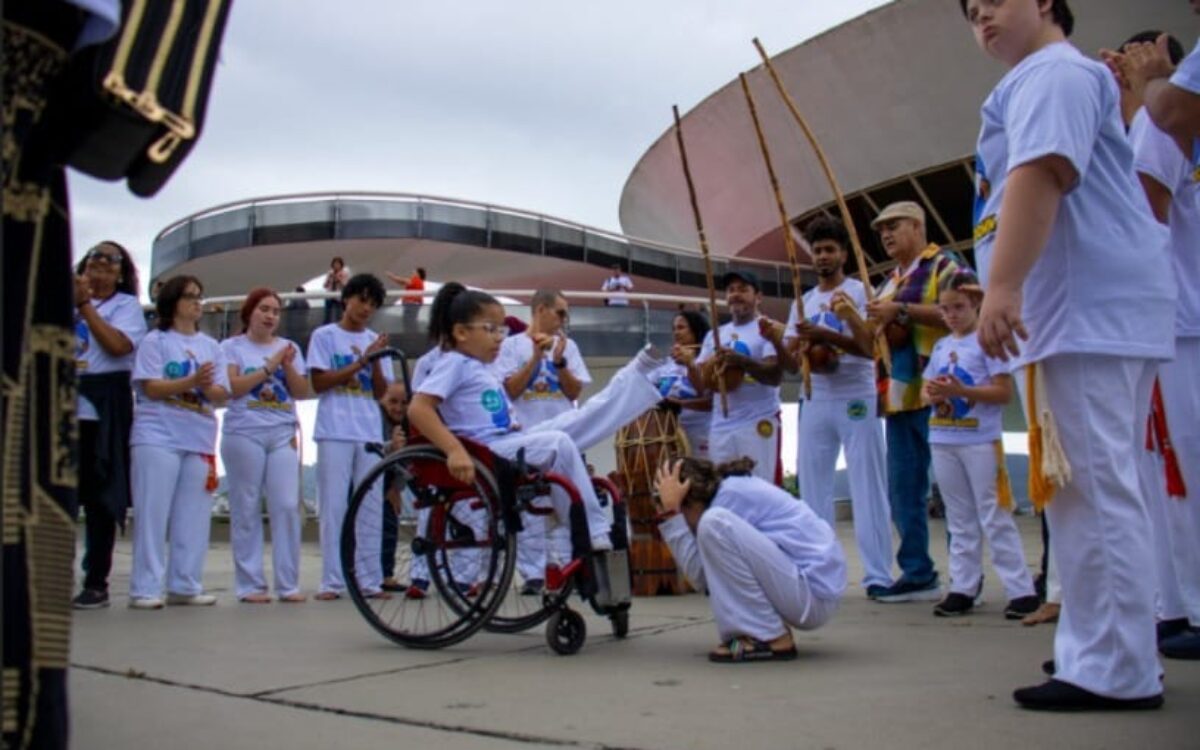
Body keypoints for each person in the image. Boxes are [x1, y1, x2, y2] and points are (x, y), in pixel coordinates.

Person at [961, 0, 1174, 710]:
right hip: (1082, 311)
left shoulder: (1053, 74)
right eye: (969, 11)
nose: (981, 15)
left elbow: (1040, 173)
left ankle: (1115, 666)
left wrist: (1004, 285)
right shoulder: (1047, 78)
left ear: (1048, 4)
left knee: (1093, 487)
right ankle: (1108, 647)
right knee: (1089, 487)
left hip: (1085, 308)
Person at [407, 284, 664, 560]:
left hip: (507, 439)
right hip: (486, 450)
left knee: (578, 418)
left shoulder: (480, 368)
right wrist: (454, 450)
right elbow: (418, 408)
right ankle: (591, 529)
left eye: (501, 330)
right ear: (461, 332)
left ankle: (635, 375)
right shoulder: (454, 363)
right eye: (490, 329)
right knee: (558, 442)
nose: (498, 338)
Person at [1121, 30, 1200, 661]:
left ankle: (1188, 605)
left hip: (1175, 324)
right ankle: (1172, 604)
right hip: (1173, 323)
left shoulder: (1155, 125)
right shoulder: (1143, 127)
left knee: (1178, 472)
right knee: (1164, 473)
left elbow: (1143, 222)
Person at [776, 217, 894, 598]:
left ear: (844, 253)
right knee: (813, 490)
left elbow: (868, 348)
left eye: (830, 249)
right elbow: (794, 363)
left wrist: (828, 334)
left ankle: (878, 575)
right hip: (816, 398)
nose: (823, 256)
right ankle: (819, 572)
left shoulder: (860, 291)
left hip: (855, 396)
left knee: (867, 484)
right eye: (818, 250)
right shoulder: (803, 301)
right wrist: (790, 344)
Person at [921, 273, 1038, 619]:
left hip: (979, 439)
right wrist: (934, 394)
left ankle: (1020, 589)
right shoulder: (942, 346)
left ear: (974, 304)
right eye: (945, 309)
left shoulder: (986, 342)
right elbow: (928, 386)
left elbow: (1002, 393)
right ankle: (963, 585)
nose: (952, 314)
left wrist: (962, 393)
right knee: (958, 518)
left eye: (958, 307)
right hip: (943, 437)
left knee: (994, 513)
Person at [653, 457, 846, 662]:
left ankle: (769, 636)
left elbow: (701, 576)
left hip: (811, 594)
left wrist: (671, 516)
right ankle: (764, 630)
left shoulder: (727, 500)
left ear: (688, 499)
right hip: (811, 591)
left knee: (714, 524)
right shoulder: (729, 492)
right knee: (713, 525)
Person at [865, 201, 959, 603]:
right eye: (881, 229)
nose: (885, 234)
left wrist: (900, 309)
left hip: (939, 389)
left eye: (894, 226)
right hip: (899, 397)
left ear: (918, 226)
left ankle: (967, 575)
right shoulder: (887, 281)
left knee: (955, 489)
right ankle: (917, 572)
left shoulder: (944, 267)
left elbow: (963, 311)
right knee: (904, 489)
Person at [128, 276, 231, 609]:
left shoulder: (211, 346)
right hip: (157, 435)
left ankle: (185, 584)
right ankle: (145, 587)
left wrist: (205, 387)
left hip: (198, 436)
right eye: (190, 296)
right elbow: (150, 387)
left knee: (193, 515)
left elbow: (221, 394)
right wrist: (191, 380)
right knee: (153, 513)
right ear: (173, 302)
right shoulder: (155, 341)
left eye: (200, 296)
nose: (197, 302)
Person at [495, 289, 591, 593]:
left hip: (564, 434)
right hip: (527, 436)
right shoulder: (510, 346)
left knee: (565, 500)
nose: (564, 319)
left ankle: (566, 566)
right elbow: (509, 390)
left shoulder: (569, 346)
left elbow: (575, 392)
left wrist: (559, 363)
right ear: (540, 310)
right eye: (560, 312)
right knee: (531, 506)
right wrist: (536, 358)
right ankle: (533, 574)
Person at [220, 288, 310, 604]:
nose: (271, 316)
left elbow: (301, 390)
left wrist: (285, 366)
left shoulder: (290, 348)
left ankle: (288, 583)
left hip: (281, 432)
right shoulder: (231, 347)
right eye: (264, 309)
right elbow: (232, 387)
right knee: (246, 506)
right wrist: (269, 367)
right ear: (249, 313)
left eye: (275, 310)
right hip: (245, 432)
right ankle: (250, 584)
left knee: (286, 505)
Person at [71, 242, 148, 609]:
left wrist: (86, 307)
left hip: (105, 400)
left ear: (121, 271)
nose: (100, 264)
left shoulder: (126, 307)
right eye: (94, 258)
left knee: (102, 495)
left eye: (110, 259)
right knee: (61, 490)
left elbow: (119, 346)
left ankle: (96, 580)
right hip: (65, 395)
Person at [307, 273, 393, 600]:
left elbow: (382, 393)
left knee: (370, 506)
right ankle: (332, 580)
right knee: (334, 506)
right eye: (361, 300)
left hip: (368, 430)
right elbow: (320, 382)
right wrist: (361, 360)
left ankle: (370, 581)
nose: (365, 308)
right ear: (347, 299)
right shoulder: (325, 336)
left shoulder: (376, 340)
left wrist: (373, 362)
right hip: (335, 430)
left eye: (372, 304)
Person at [692, 271, 784, 484]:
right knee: (723, 491)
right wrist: (697, 367)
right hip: (721, 424)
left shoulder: (767, 328)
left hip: (757, 421)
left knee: (761, 489)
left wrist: (740, 361)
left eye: (743, 289)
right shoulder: (714, 335)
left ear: (758, 297)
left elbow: (774, 377)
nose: (736, 295)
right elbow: (702, 386)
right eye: (731, 290)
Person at [649, 310, 713, 459]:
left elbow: (711, 400)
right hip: (668, 435)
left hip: (702, 436)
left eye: (681, 327)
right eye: (674, 328)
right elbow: (645, 387)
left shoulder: (708, 362)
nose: (676, 333)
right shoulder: (666, 365)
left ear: (696, 330)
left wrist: (690, 365)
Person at [378, 381, 409, 592]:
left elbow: (408, 461)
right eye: (392, 402)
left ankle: (386, 573)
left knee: (389, 523)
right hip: (373, 476)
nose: (398, 408)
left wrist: (396, 488)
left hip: (392, 478)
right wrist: (391, 446)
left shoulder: (408, 423)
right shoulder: (375, 420)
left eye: (403, 403)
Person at [322, 256, 350, 324]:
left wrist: (339, 279)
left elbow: (346, 285)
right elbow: (325, 286)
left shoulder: (344, 273)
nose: (336, 265)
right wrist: (329, 279)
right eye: (334, 264)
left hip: (338, 297)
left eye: (338, 264)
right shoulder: (330, 273)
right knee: (327, 314)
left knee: (339, 314)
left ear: (341, 265)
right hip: (329, 295)